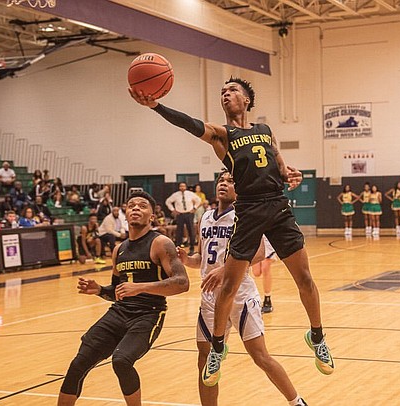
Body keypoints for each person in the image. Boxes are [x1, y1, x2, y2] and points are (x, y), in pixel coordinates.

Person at [131, 77, 333, 385]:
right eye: (223, 92)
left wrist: (289, 171)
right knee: (227, 286)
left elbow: (279, 165)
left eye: (232, 90)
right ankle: (218, 344)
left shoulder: (266, 132)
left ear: (248, 100)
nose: (226, 94)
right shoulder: (223, 135)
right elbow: (188, 123)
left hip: (277, 206)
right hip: (248, 210)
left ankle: (316, 336)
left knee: (304, 278)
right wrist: (156, 106)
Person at [178, 171, 307, 406]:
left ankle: (296, 401)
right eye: (220, 181)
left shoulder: (246, 216)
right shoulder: (205, 217)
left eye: (230, 182)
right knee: (205, 359)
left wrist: (226, 269)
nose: (223, 185)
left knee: (259, 356)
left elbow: (258, 253)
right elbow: (202, 258)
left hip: (240, 293)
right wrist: (187, 260)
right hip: (210, 296)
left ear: (240, 189)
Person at [57, 191, 189, 406]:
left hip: (148, 315)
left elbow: (182, 283)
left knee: (121, 361)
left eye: (142, 206)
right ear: (126, 214)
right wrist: (100, 290)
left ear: (152, 216)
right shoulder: (119, 249)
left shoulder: (160, 243)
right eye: (131, 206)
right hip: (119, 312)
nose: (136, 208)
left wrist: (140, 287)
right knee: (78, 364)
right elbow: (119, 290)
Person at [165, 182, 201, 255]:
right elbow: (168, 202)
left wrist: (194, 208)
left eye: (183, 186)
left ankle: (192, 248)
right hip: (180, 214)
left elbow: (198, 200)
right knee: (179, 231)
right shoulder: (176, 195)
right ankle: (178, 248)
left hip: (189, 213)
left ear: (186, 187)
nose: (182, 187)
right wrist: (173, 210)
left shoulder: (190, 194)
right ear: (179, 187)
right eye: (181, 186)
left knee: (191, 230)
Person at [251, 234, 277, 314]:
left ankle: (267, 300)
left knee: (265, 267)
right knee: (256, 273)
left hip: (268, 237)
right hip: (256, 236)